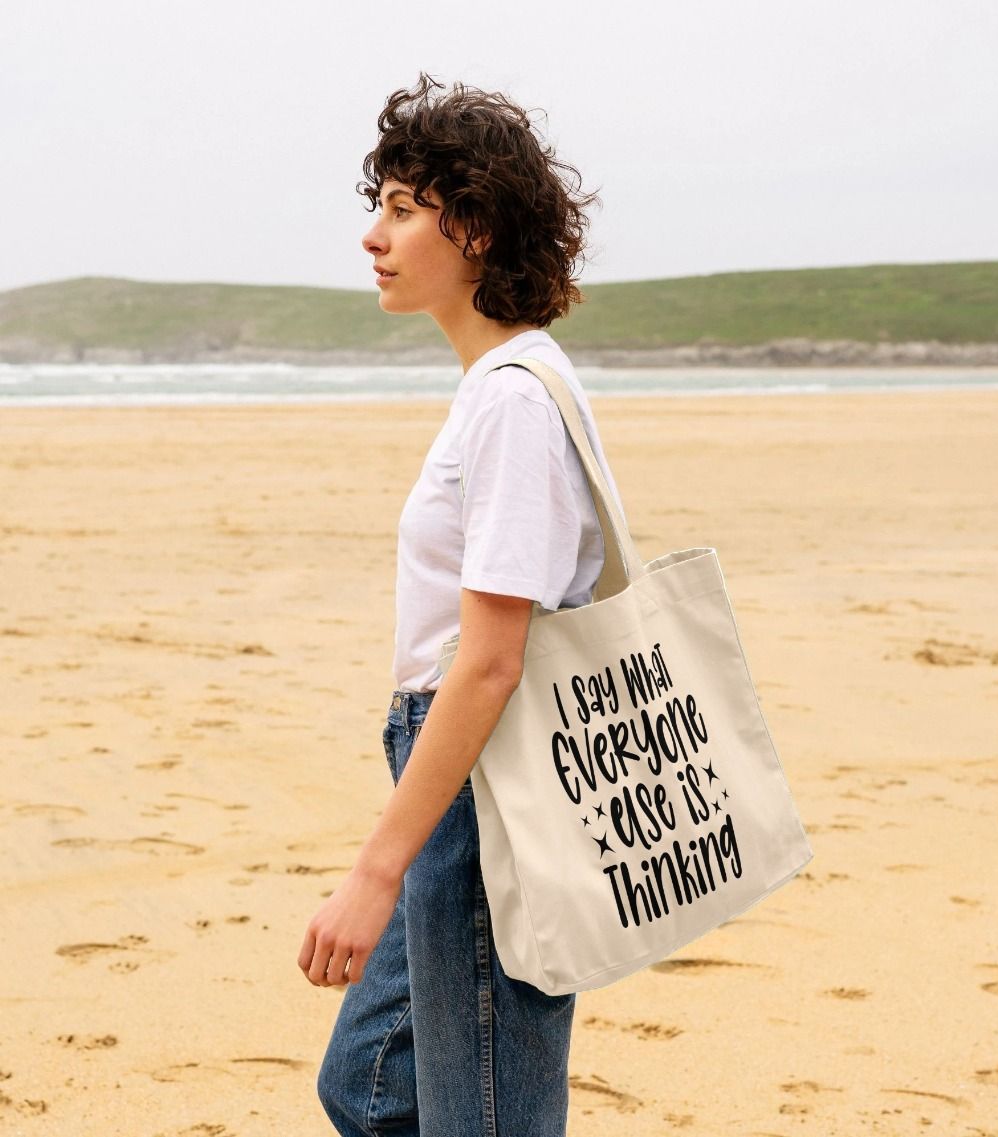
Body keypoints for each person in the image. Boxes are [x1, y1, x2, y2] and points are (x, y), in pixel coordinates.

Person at [298, 72, 627, 1137]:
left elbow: (489, 663)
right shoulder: (503, 387)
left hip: (486, 788)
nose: (372, 236)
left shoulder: (514, 404)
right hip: (454, 788)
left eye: (401, 208)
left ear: (475, 226)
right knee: (370, 1085)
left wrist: (374, 870)